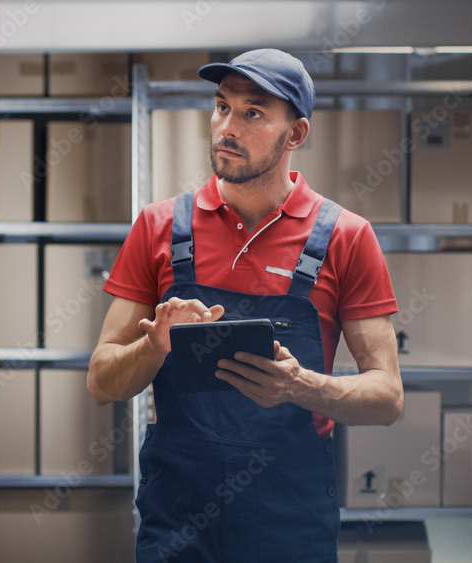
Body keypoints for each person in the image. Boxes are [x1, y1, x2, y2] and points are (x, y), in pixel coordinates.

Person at [87, 48, 403, 562]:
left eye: (252, 112)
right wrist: (153, 347)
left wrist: (302, 386)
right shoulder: (158, 227)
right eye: (221, 106)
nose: (225, 127)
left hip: (290, 515)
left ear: (296, 134)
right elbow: (101, 382)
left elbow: (387, 395)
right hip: (179, 515)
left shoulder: (346, 238)